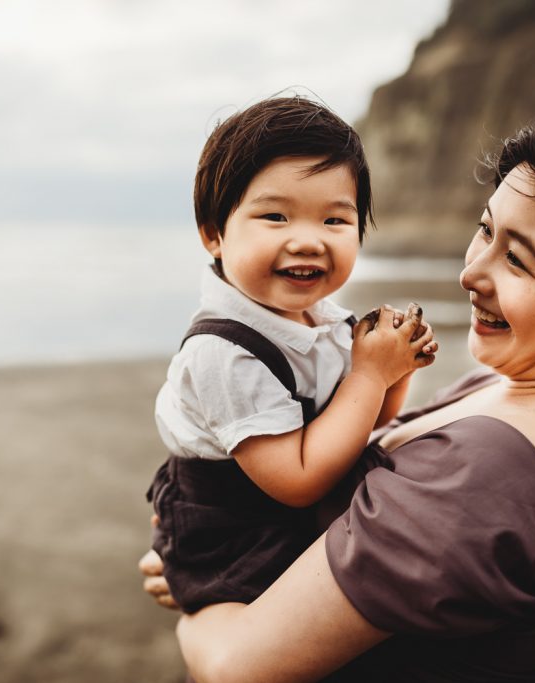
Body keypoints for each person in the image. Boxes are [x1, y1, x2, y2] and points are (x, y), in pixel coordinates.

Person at [140, 117, 535, 682]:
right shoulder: (524, 390)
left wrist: (198, 600)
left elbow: (233, 667)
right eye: (486, 229)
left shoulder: (482, 482)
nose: (470, 272)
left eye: (517, 259)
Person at [147, 96, 438, 615]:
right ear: (214, 234)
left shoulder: (322, 322)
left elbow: (364, 422)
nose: (308, 241)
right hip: (236, 533)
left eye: (334, 221)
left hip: (284, 510)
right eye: (276, 216)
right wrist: (369, 374)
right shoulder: (225, 352)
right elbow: (299, 481)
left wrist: (395, 369)